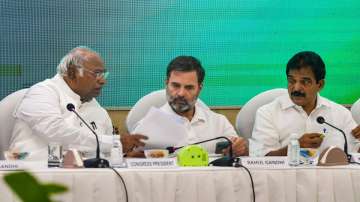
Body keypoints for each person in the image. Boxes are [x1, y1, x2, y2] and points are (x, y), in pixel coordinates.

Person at [9, 46, 146, 160]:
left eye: (104, 75)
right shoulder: (42, 92)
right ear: (72, 72)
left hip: (85, 179)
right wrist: (112, 143)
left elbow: (106, 154)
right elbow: (55, 131)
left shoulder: (98, 110)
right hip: (35, 177)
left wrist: (124, 156)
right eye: (97, 73)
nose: (103, 80)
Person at [131, 56, 248, 156]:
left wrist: (241, 150)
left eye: (189, 87)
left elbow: (241, 155)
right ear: (166, 84)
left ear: (199, 89)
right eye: (175, 86)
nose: (181, 93)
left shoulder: (219, 123)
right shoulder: (147, 126)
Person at [251, 51, 360, 156]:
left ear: (320, 85)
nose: (296, 88)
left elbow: (354, 156)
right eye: (291, 81)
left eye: (305, 82)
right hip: (284, 175)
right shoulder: (268, 113)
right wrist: (295, 146)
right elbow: (260, 158)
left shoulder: (341, 114)